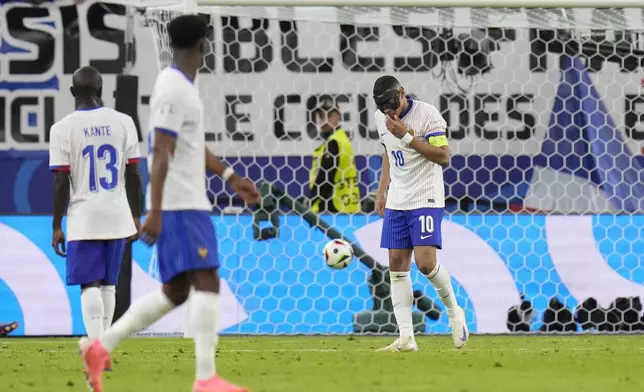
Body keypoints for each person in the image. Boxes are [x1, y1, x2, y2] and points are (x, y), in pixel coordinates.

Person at [78, 14, 260, 392]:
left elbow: (191, 147)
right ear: (202, 46)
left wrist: (231, 177)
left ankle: (100, 346)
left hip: (186, 201)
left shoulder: (184, 87)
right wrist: (155, 210)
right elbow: (162, 151)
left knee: (177, 289)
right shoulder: (174, 87)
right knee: (207, 278)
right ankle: (205, 378)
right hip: (180, 205)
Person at [49, 66, 142, 358]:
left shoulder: (62, 128)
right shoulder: (124, 122)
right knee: (109, 283)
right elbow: (136, 175)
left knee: (89, 282)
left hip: (85, 215)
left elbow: (61, 181)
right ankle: (104, 346)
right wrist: (136, 216)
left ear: (73, 92)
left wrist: (56, 224)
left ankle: (98, 349)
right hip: (117, 213)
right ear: (101, 91)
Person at [373, 75, 468, 352]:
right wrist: (382, 190)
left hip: (426, 195)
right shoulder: (382, 119)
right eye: (383, 108)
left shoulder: (427, 115)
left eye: (393, 104)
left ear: (402, 92)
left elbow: (443, 157)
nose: (390, 112)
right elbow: (389, 153)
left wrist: (407, 135)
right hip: (398, 198)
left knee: (425, 264)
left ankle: (454, 312)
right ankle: (406, 338)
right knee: (396, 266)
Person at [308, 102, 360, 214]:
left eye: (329, 115)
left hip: (332, 208)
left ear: (339, 117)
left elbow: (325, 177)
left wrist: (310, 200)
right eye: (321, 117)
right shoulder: (341, 140)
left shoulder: (334, 142)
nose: (324, 120)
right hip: (348, 204)